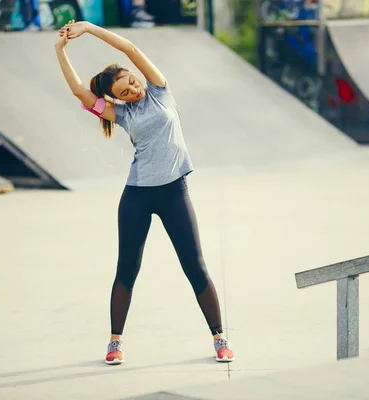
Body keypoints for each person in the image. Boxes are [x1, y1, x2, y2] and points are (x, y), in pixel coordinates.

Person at [54, 20, 235, 365]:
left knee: (195, 266)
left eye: (132, 82)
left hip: (174, 193)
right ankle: (114, 343)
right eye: (124, 92)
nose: (133, 90)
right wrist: (60, 50)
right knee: (127, 268)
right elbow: (79, 91)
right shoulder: (121, 115)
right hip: (137, 195)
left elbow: (130, 50)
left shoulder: (160, 90)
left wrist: (90, 28)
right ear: (115, 99)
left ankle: (220, 339)